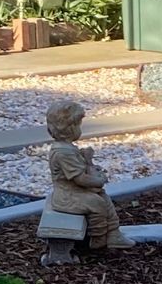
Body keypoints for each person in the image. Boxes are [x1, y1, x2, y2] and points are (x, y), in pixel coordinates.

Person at [39, 99, 125, 259]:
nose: (80, 128)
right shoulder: (64, 153)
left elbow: (81, 171)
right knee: (96, 202)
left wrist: (88, 160)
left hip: (72, 191)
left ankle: (113, 233)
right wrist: (99, 180)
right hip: (66, 196)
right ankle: (97, 239)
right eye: (78, 125)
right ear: (69, 128)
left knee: (102, 196)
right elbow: (80, 179)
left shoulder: (67, 148)